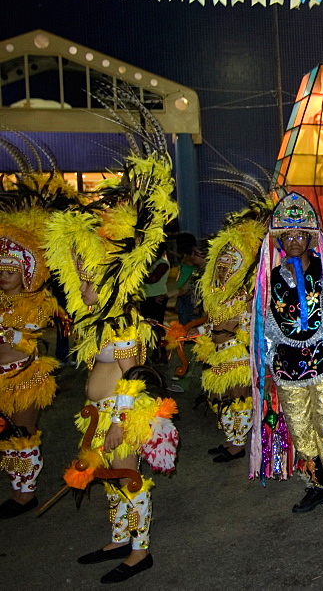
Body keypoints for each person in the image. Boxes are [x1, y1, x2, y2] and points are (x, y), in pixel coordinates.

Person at [46, 144, 179, 584]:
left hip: (123, 417)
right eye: (80, 277)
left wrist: (122, 423)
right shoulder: (97, 323)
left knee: (128, 478)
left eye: (91, 279)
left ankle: (140, 552)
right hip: (101, 416)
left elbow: (135, 381)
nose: (83, 287)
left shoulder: (125, 326)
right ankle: (119, 537)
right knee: (108, 478)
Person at [249, 192, 323, 524]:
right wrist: (266, 364)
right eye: (288, 235)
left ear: (311, 237)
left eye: (301, 235)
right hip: (286, 370)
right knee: (300, 432)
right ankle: (319, 484)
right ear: (280, 239)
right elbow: (266, 324)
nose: (294, 240)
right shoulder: (271, 278)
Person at [194, 204, 269, 463]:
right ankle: (230, 439)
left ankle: (237, 445)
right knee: (223, 398)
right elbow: (216, 323)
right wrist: (193, 332)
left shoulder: (246, 293)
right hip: (219, 352)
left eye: (228, 265)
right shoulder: (220, 294)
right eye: (221, 265)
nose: (223, 268)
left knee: (239, 397)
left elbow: (248, 323)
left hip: (237, 351)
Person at [0, 211, 59, 518]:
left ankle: (28, 494)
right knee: (6, 437)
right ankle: (16, 488)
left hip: (25, 376)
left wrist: (8, 332)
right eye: (0, 270)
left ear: (24, 272)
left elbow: (28, 340)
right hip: (1, 380)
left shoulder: (39, 302)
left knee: (23, 432)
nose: (3, 276)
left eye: (9, 271)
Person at [174, 232, 205, 325]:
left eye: (196, 254)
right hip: (186, 298)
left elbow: (186, 289)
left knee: (189, 327)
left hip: (190, 301)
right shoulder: (196, 271)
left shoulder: (199, 271)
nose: (193, 257)